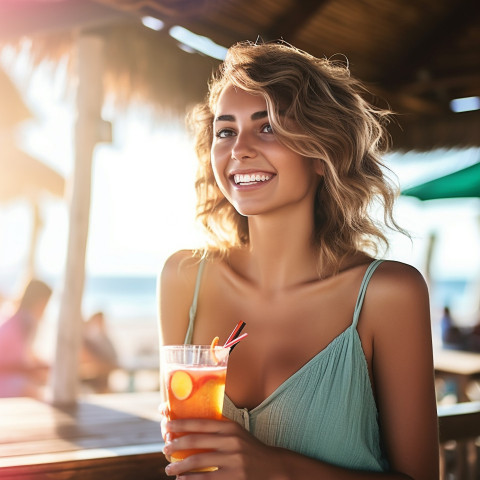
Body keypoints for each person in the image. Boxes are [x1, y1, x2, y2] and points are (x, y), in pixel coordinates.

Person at [158, 41, 439, 479]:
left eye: (267, 126)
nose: (239, 149)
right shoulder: (183, 278)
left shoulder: (388, 295)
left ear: (323, 153)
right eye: (225, 130)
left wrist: (272, 467)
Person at [0, 278, 52, 398]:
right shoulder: (22, 323)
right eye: (45, 304)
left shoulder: (18, 320)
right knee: (38, 393)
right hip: (5, 379)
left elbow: (24, 356)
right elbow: (18, 362)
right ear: (38, 302)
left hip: (8, 376)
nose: (45, 309)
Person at [79, 311, 118, 393]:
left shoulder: (99, 338)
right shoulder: (87, 339)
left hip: (99, 374)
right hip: (91, 376)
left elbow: (113, 356)